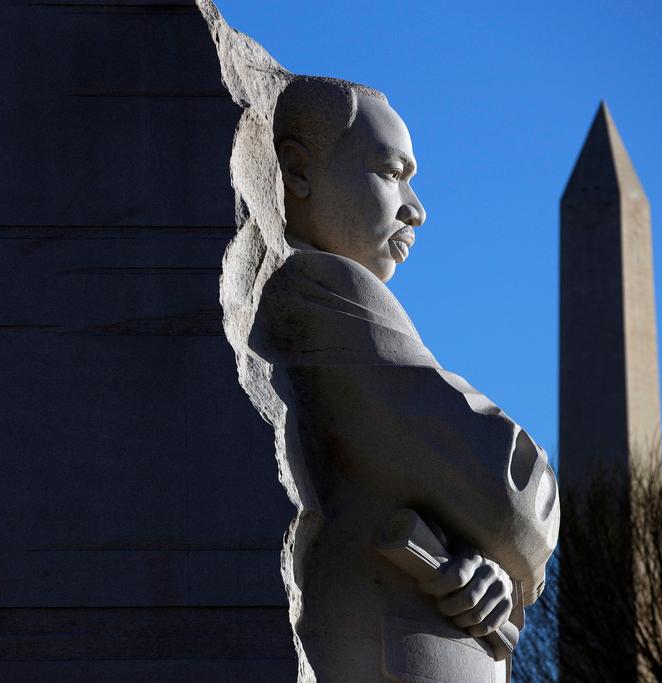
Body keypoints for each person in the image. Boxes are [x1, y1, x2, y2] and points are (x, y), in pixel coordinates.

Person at [248, 76, 560, 682]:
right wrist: (508, 538)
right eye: (392, 173)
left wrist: (489, 566)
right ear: (298, 171)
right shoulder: (326, 289)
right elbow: (512, 492)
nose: (415, 208)